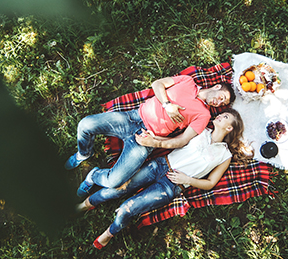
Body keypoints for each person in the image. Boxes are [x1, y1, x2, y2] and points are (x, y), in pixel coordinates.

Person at [76, 108, 251, 249]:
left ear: (230, 128)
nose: (220, 115)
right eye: (222, 113)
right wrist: (153, 140)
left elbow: (211, 183)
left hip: (172, 186)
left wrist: (188, 180)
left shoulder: (225, 155)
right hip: (159, 165)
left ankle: (109, 233)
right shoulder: (201, 130)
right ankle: (87, 203)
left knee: (127, 209)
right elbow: (177, 140)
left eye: (225, 116)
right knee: (118, 189)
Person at [65, 75, 235, 195]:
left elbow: (182, 140)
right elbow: (157, 84)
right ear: (217, 86)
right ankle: (84, 153)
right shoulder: (187, 81)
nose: (218, 103)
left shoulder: (204, 115)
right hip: (132, 117)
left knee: (113, 182)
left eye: (223, 104)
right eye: (221, 97)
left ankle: (94, 175)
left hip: (146, 140)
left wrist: (154, 143)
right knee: (85, 124)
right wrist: (167, 104)